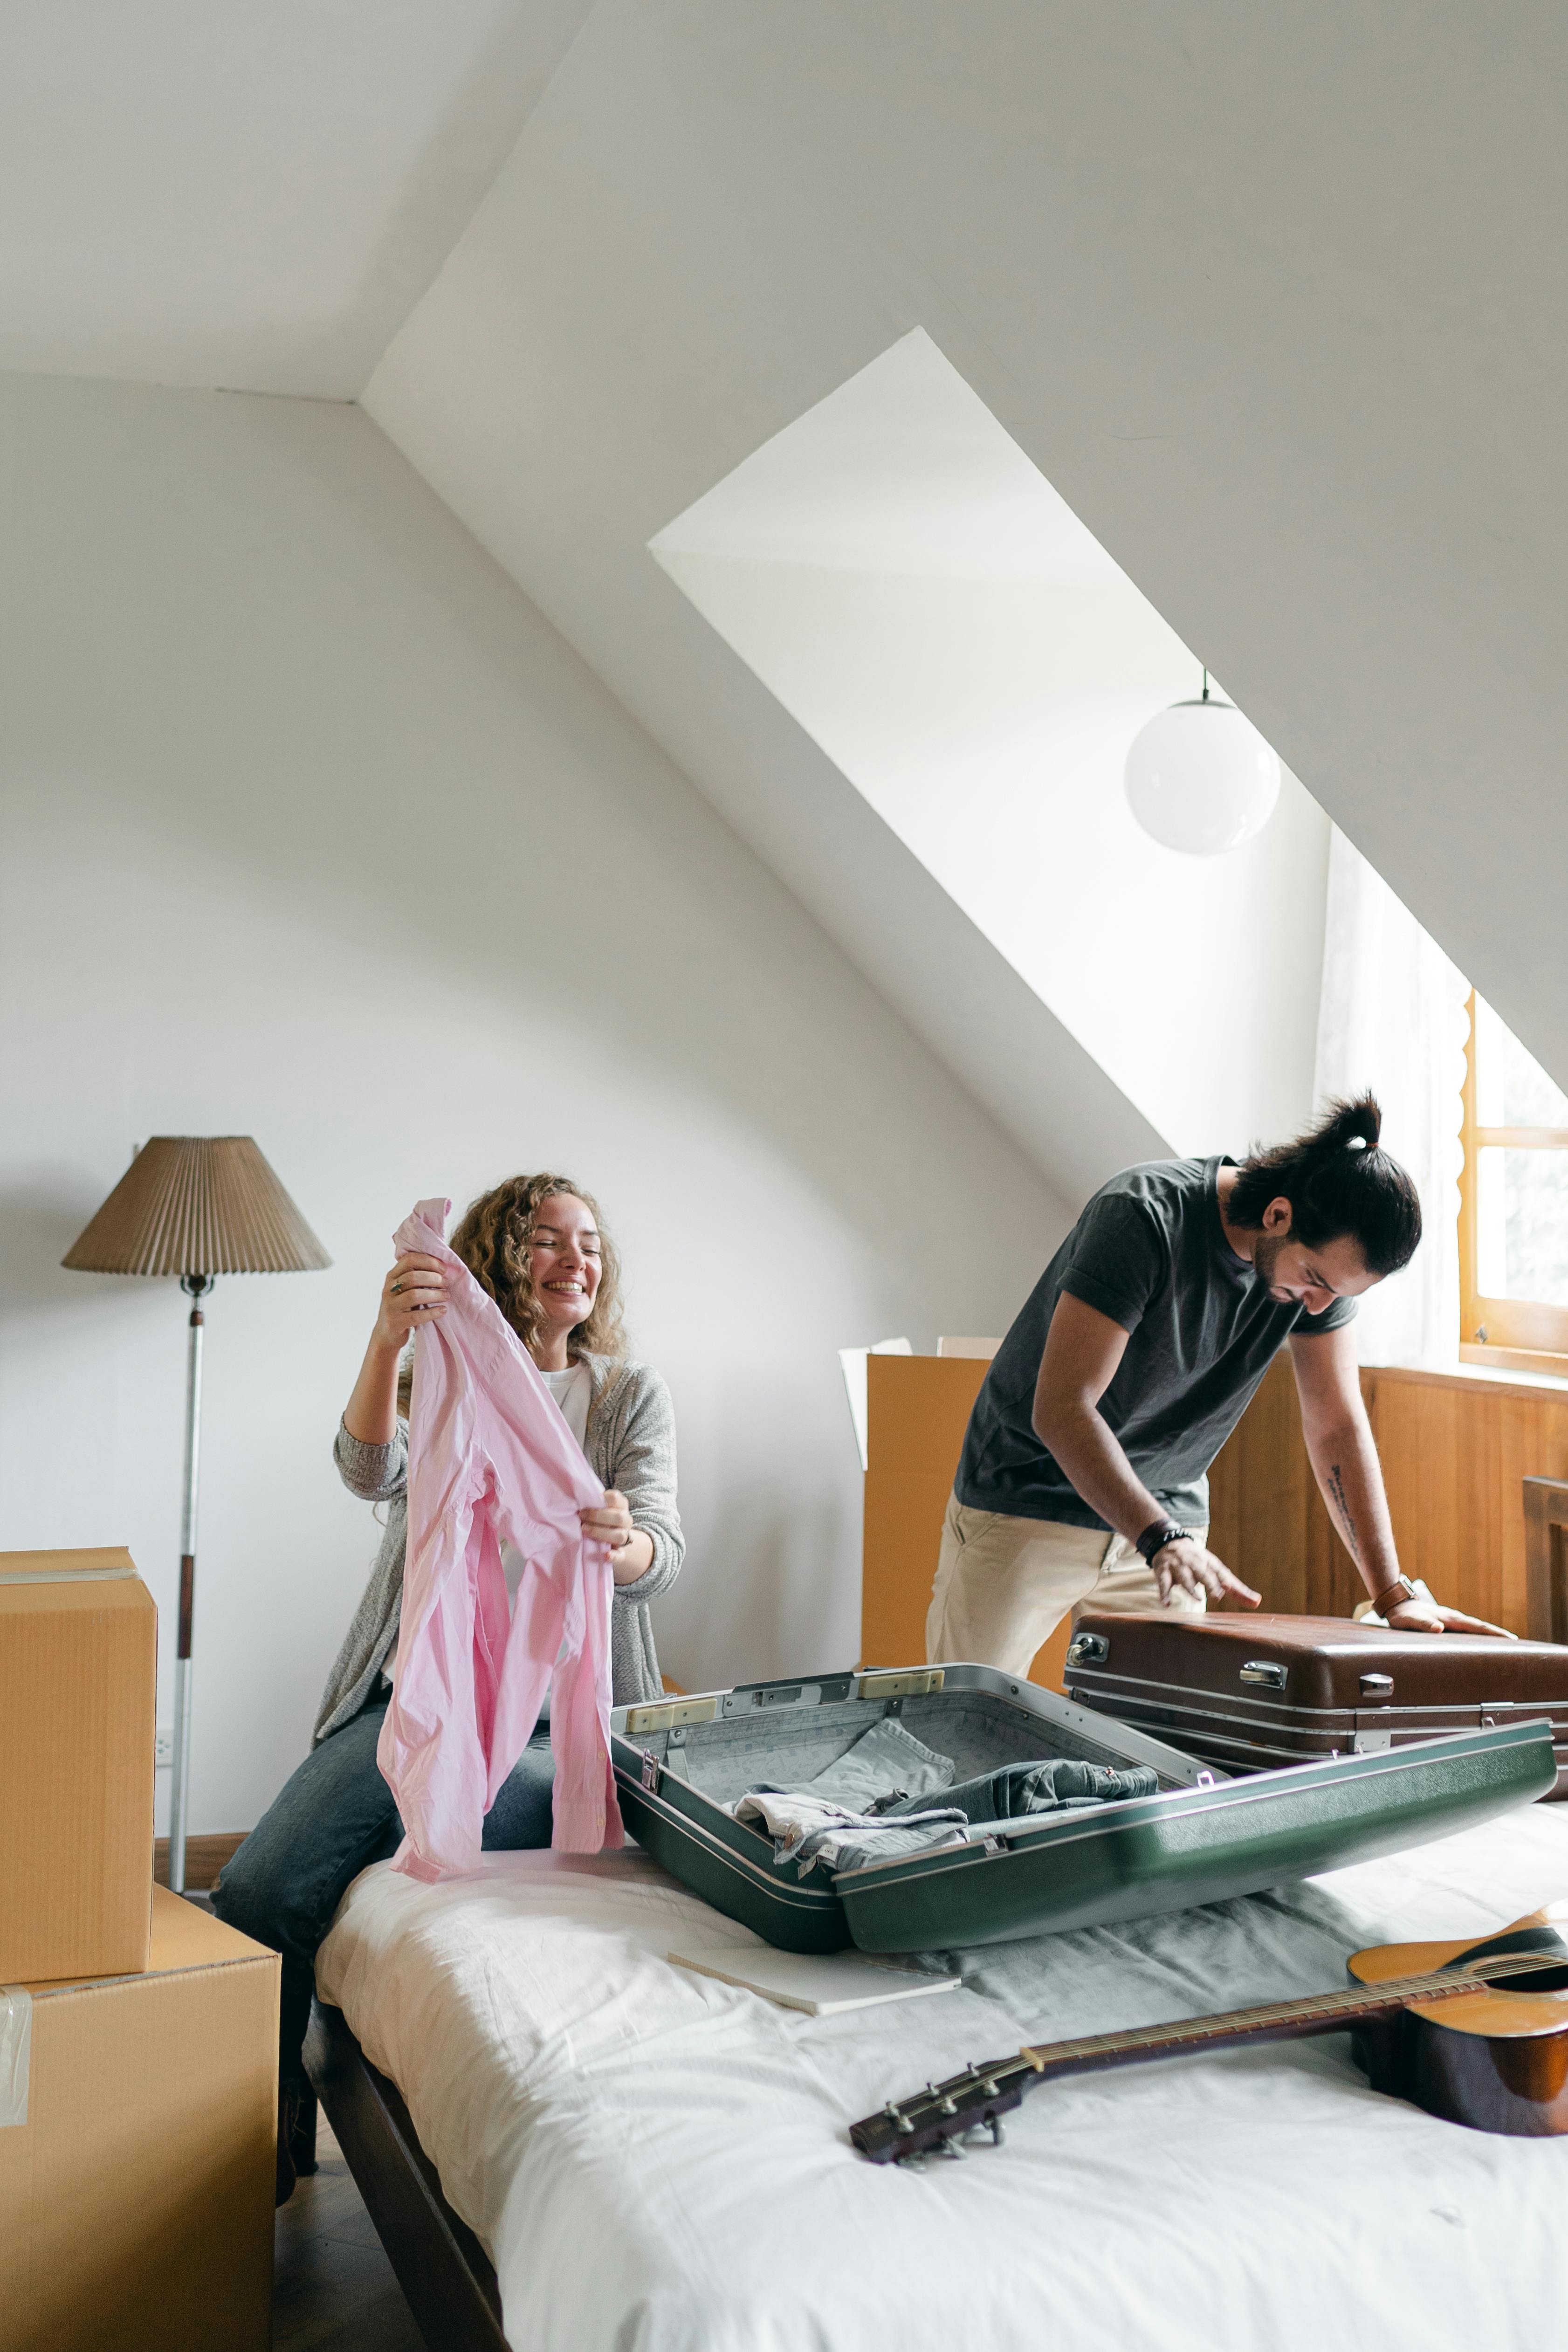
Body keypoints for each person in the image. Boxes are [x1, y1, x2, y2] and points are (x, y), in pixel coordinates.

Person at [213, 1172, 683, 2200]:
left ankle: (388, 1859)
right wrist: (387, 1341)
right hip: (413, 1703)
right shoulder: (448, 1368)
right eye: (550, 1240)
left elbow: (665, 1552)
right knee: (255, 1893)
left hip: (555, 1729)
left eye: (591, 1243)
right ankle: (266, 2124)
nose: (578, 1261)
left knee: (478, 1847)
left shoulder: (626, 1397)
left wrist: (626, 1540)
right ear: (501, 1256)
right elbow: (366, 1469)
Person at [926, 1096, 1508, 1676]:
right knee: (965, 1721)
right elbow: (1061, 1409)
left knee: (1162, 1745)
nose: (1320, 1305)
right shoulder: (1142, 1216)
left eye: (1340, 1295)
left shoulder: (1314, 1286)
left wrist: (1392, 1595)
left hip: (1165, 1521)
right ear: (1278, 1215)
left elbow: (1336, 1425)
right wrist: (1161, 1538)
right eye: (1315, 1279)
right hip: (1030, 1499)